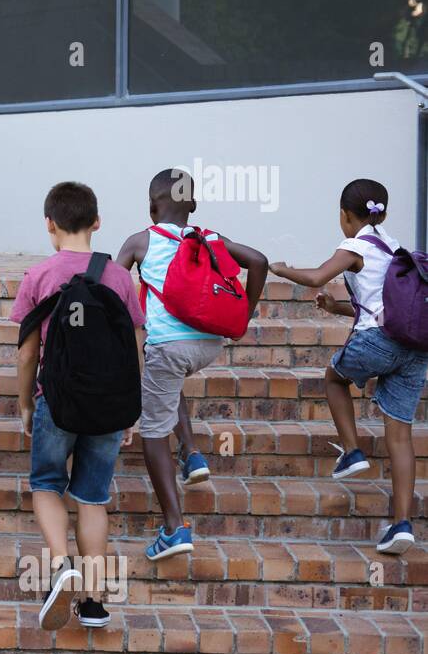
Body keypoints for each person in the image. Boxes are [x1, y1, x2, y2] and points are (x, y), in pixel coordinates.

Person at [11, 181, 146, 629]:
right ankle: (92, 601)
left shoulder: (39, 276)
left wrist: (26, 402)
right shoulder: (120, 278)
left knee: (47, 483)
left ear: (49, 224)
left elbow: (28, 352)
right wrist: (133, 407)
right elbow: (135, 344)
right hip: (110, 402)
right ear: (97, 223)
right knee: (92, 496)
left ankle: (61, 562)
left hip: (58, 399)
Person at [116, 169, 267, 562]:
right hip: (208, 345)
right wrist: (244, 315)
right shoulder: (211, 238)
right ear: (193, 205)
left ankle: (174, 528)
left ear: (151, 207)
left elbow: (114, 288)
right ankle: (192, 454)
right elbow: (260, 261)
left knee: (153, 430)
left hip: (168, 347)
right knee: (168, 385)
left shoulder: (140, 241)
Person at [270, 178, 421, 555]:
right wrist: (334, 307)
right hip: (416, 349)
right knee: (400, 437)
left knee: (334, 379)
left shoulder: (354, 245)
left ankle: (352, 451)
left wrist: (283, 269)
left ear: (344, 215)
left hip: (379, 342)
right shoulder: (395, 247)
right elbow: (380, 303)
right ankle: (401, 525)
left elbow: (318, 276)